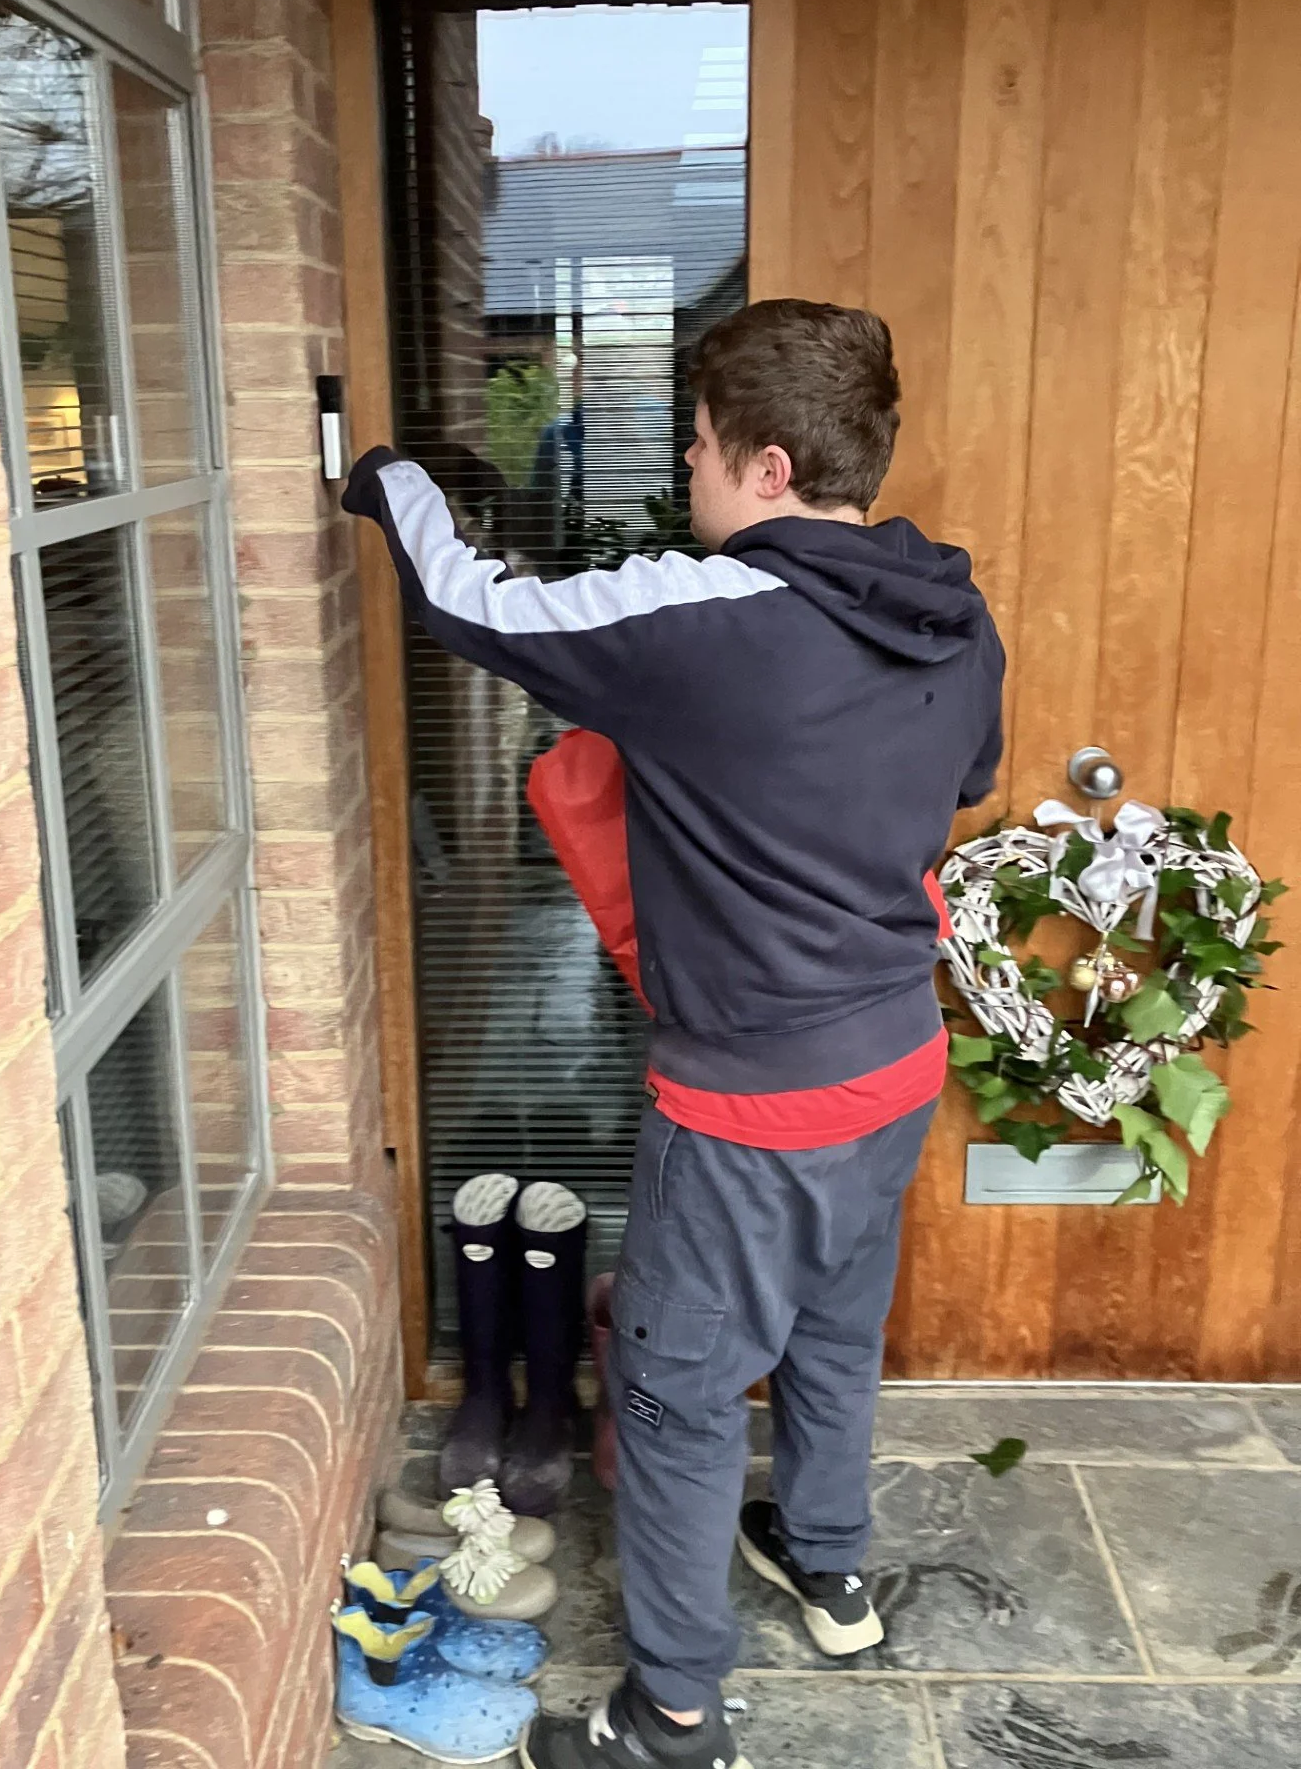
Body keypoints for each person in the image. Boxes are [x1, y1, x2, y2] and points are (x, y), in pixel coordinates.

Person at [343, 300, 1005, 1769]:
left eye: (700, 449)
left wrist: (384, 473)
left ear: (765, 467)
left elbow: (475, 605)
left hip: (752, 1110)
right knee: (835, 1328)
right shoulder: (955, 611)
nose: (689, 475)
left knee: (678, 1392)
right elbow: (965, 779)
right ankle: (825, 1562)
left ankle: (670, 1718)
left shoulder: (709, 622)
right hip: (897, 1057)